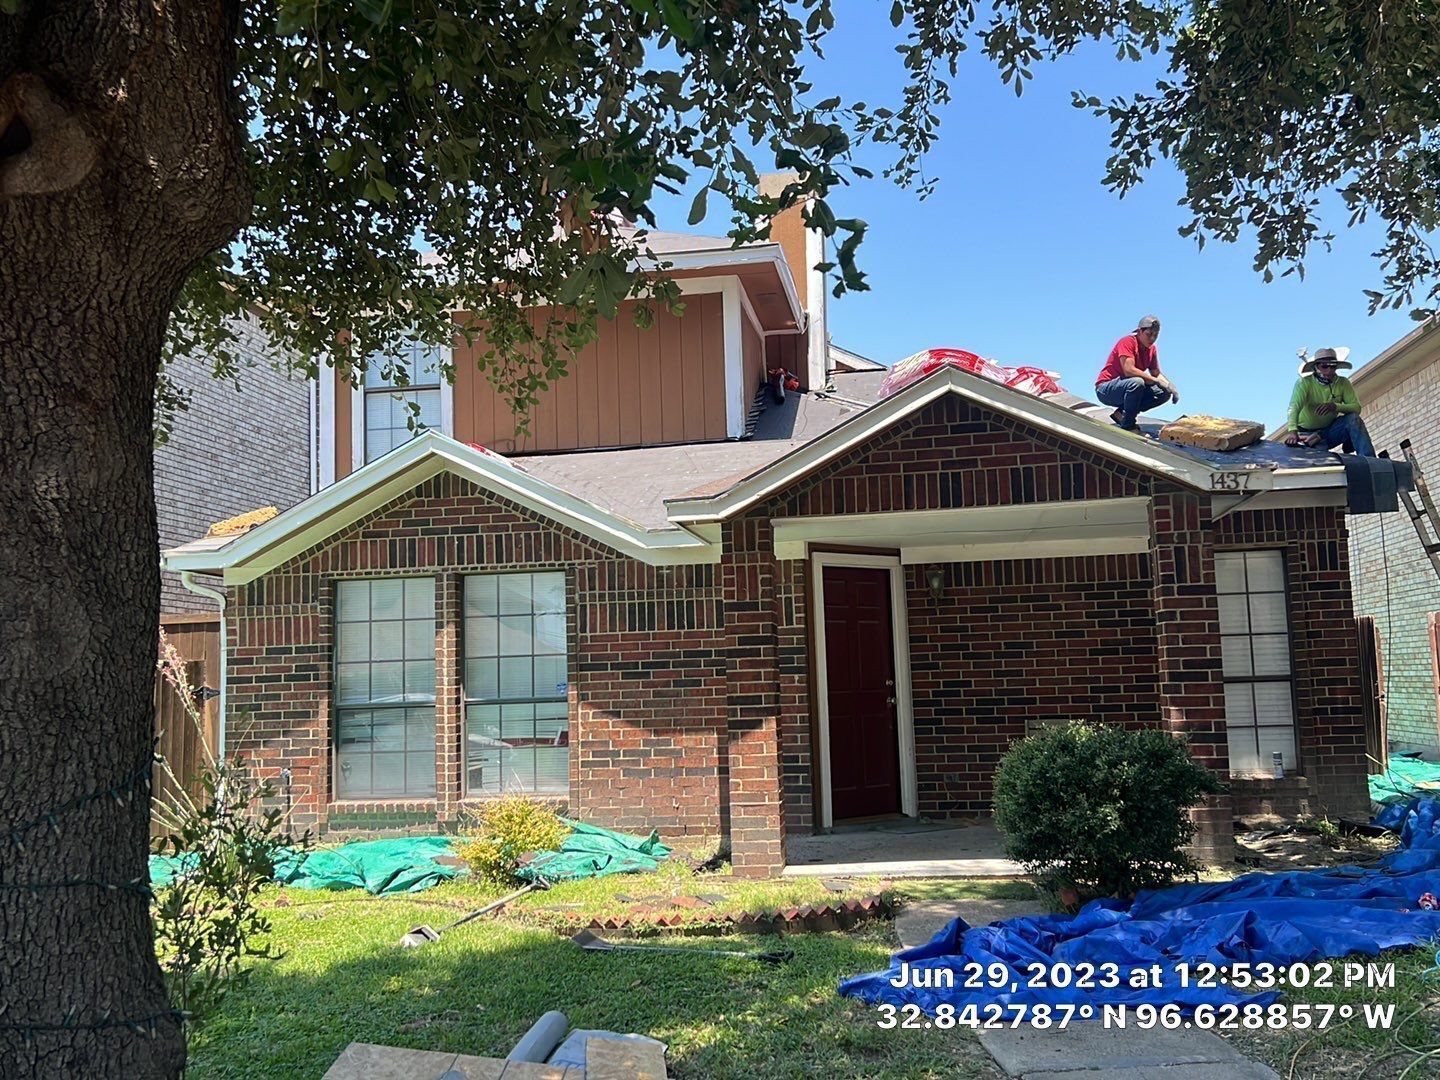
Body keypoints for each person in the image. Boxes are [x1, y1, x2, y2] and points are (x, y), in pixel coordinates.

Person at [1283, 347, 1375, 456]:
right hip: (1307, 435)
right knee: (1318, 461)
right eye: (1324, 366)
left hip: (1329, 432)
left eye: (1333, 366)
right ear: (1316, 367)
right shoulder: (1304, 383)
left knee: (1353, 419)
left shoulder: (1343, 383)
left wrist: (1335, 407)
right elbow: (1294, 407)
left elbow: (1356, 408)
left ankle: (1370, 460)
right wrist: (1292, 431)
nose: (1329, 371)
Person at [1095, 315, 1179, 430]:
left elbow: (1156, 373)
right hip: (1106, 389)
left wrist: (1170, 386)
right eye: (1149, 334)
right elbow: (1129, 370)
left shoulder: (1151, 349)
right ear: (1139, 331)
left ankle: (1121, 414)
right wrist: (1156, 381)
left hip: (1128, 389)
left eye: (1155, 335)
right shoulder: (1128, 342)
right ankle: (1128, 425)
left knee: (1163, 392)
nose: (1152, 339)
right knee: (1137, 382)